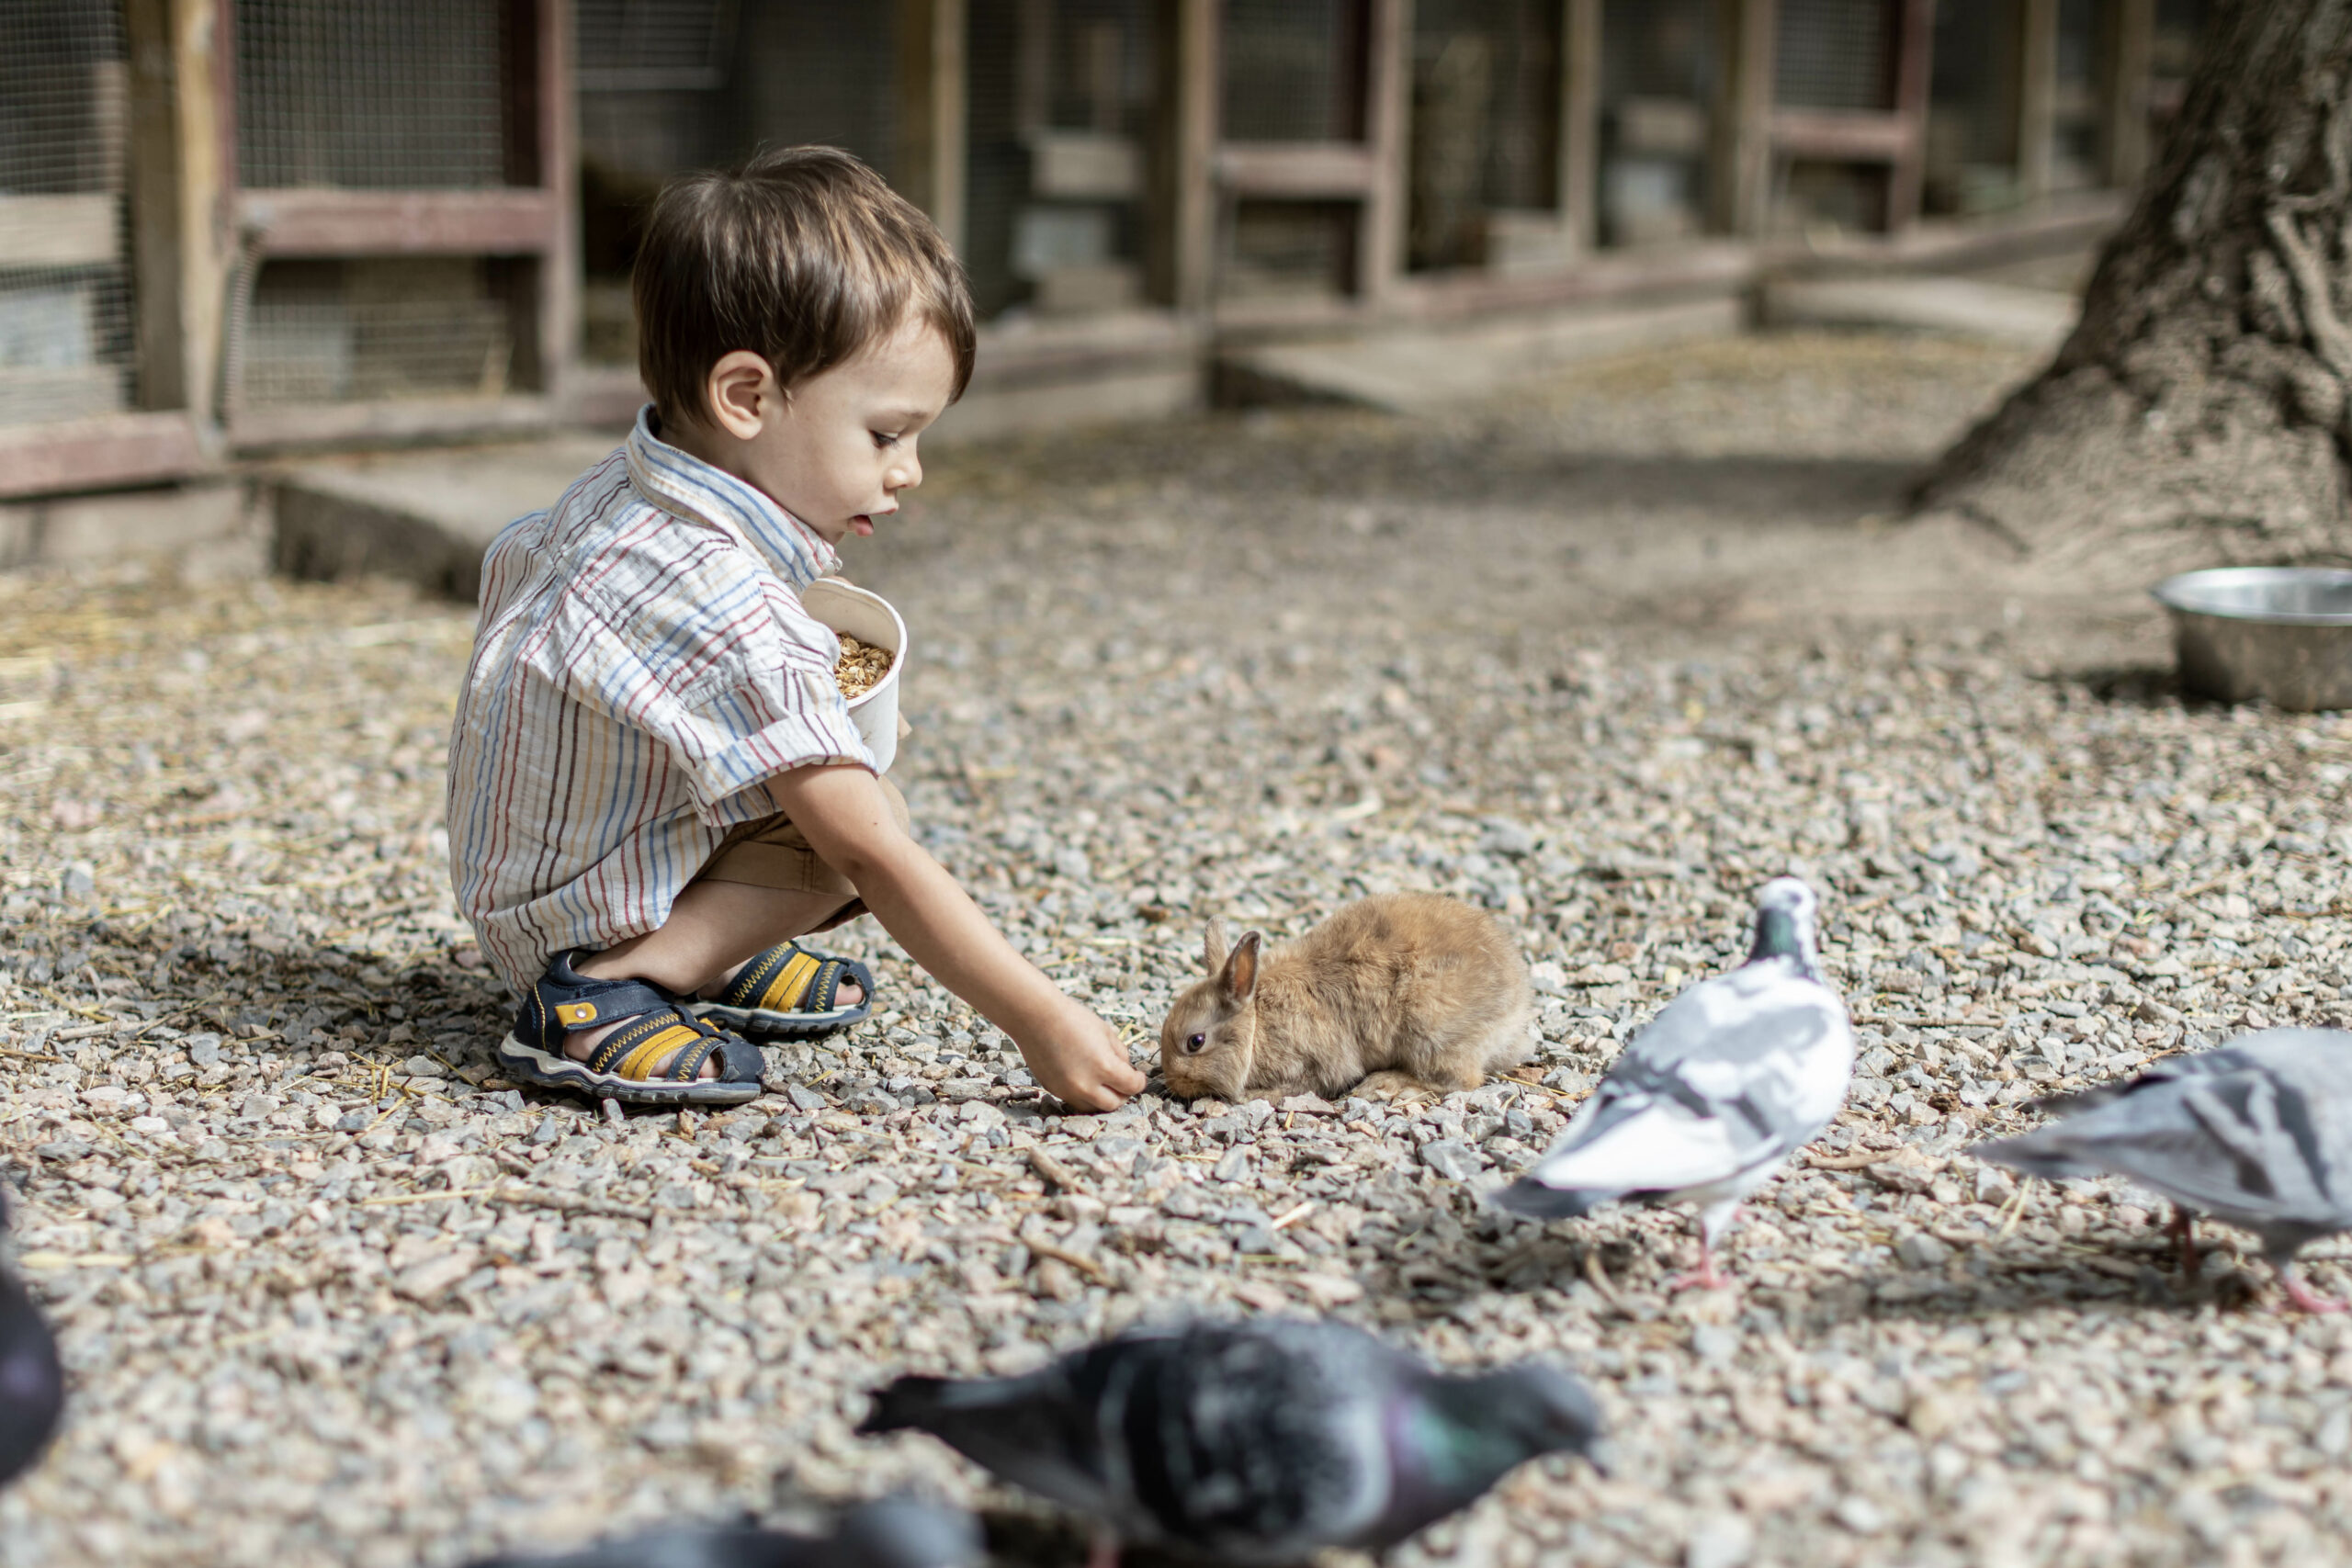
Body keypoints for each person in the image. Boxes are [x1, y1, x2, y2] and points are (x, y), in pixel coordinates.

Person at [446, 146, 1143, 1113]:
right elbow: (869, 856)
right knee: (862, 820)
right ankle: (612, 986)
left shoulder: (627, 491)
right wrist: (1039, 1016)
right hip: (568, 923)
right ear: (745, 397)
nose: (910, 471)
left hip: (535, 877)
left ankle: (695, 956)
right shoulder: (729, 603)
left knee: (827, 790)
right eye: (886, 434)